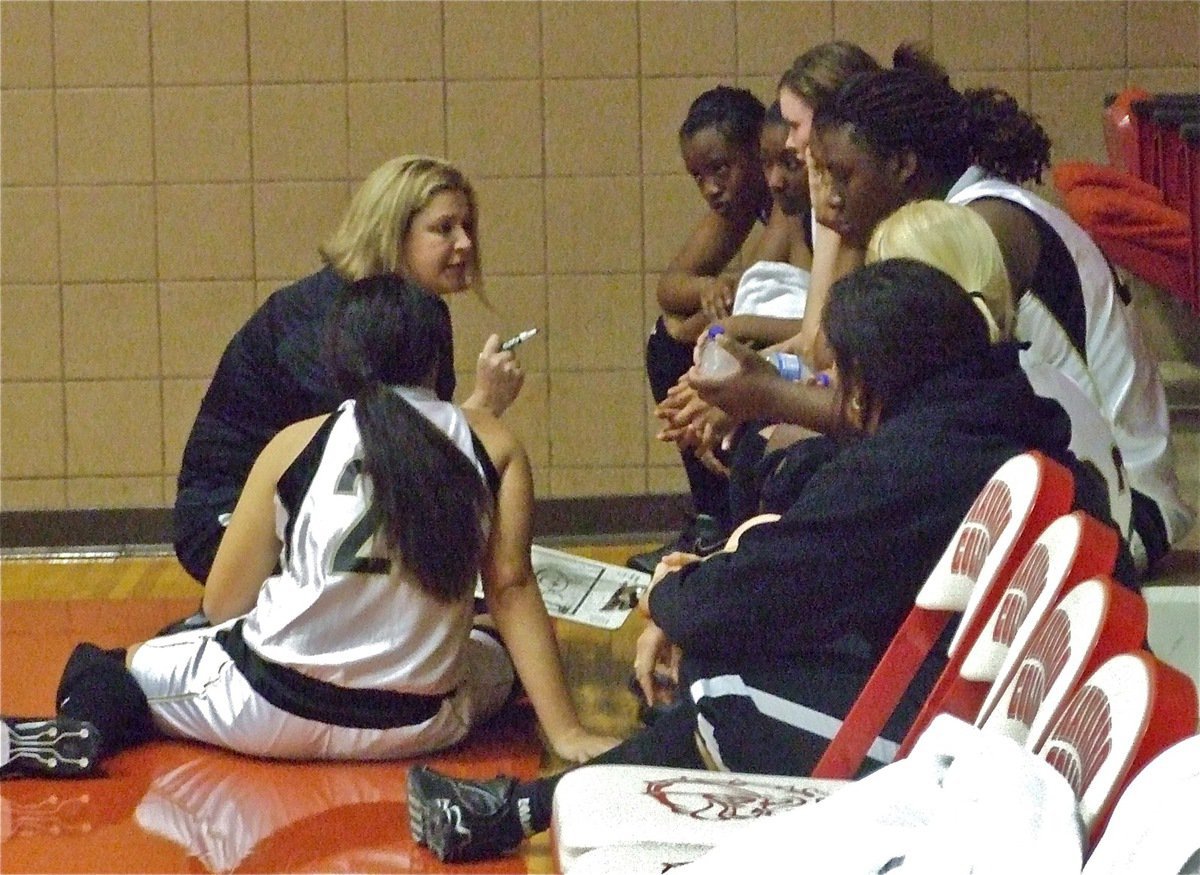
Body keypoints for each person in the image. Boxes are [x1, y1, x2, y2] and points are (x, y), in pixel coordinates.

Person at [405, 258, 1130, 864]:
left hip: (979, 761)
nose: (834, 398)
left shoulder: (914, 465)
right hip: (994, 715)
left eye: (839, 377)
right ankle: (520, 806)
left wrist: (670, 592)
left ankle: (519, 807)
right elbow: (791, 563)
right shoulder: (995, 414)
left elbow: (738, 602)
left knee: (723, 686)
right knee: (738, 657)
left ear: (873, 380)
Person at [0, 276, 617, 779]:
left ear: (343, 356)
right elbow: (510, 590)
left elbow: (221, 603)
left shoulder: (297, 442)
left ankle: (86, 728)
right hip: (415, 727)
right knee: (495, 646)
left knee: (112, 664)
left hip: (268, 710)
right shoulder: (496, 442)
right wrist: (567, 731)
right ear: (437, 355)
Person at [696, 49, 1195, 571]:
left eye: (843, 176)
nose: (833, 199)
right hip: (1055, 475)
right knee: (797, 458)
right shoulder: (955, 214)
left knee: (815, 473)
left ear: (903, 165)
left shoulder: (978, 230)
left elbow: (913, 421)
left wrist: (766, 394)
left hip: (1121, 509)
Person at [170, 155, 525, 631]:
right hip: (229, 514)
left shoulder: (422, 312)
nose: (465, 243)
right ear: (392, 234)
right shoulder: (319, 323)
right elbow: (372, 456)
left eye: (467, 226)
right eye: (444, 228)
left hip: (330, 503)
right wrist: (483, 409)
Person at [629, 85, 772, 574]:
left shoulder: (793, 209)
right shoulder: (744, 206)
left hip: (803, 351)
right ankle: (714, 515)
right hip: (771, 337)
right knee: (669, 336)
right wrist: (709, 289)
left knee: (685, 339)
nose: (711, 187)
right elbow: (671, 287)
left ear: (759, 150)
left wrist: (720, 320)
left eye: (720, 169)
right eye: (698, 176)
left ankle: (730, 519)